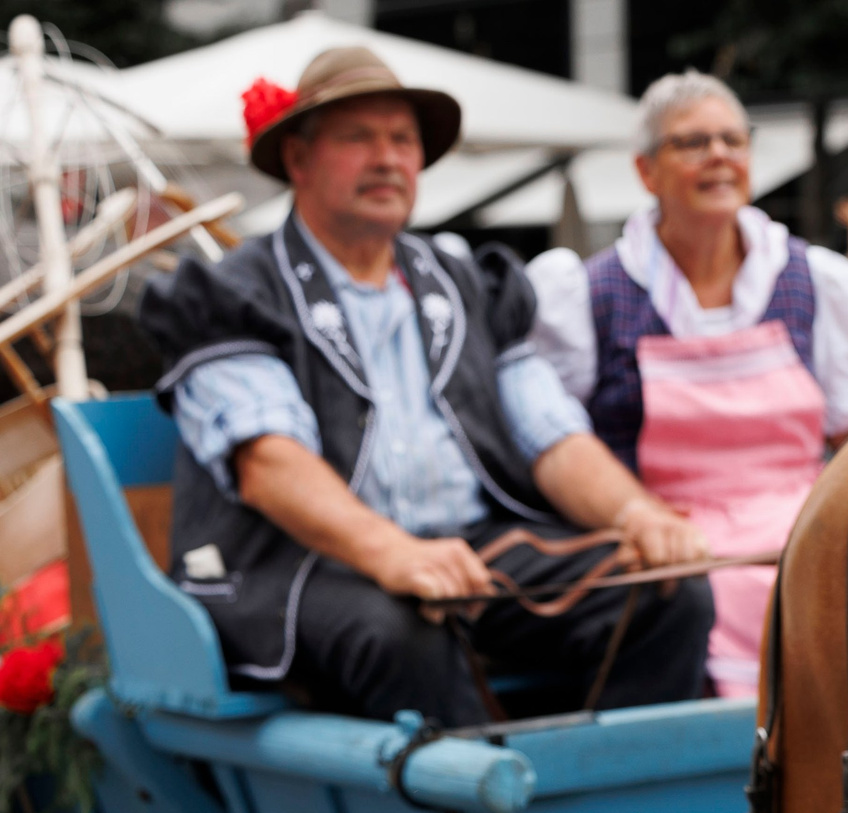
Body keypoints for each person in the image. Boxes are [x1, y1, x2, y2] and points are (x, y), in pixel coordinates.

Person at [140, 47, 714, 726]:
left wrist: (636, 514)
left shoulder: (467, 280)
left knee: (668, 595)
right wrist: (394, 553)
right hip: (301, 566)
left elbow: (550, 435)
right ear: (298, 159)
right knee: (401, 629)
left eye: (403, 139)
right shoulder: (234, 289)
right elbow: (268, 462)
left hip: (470, 551)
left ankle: (615, 807)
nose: (387, 158)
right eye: (359, 138)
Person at [527, 73, 848, 698]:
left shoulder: (814, 279)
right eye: (693, 143)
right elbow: (561, 445)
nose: (719, 155)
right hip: (667, 548)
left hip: (805, 537)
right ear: (646, 172)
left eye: (732, 139)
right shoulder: (586, 293)